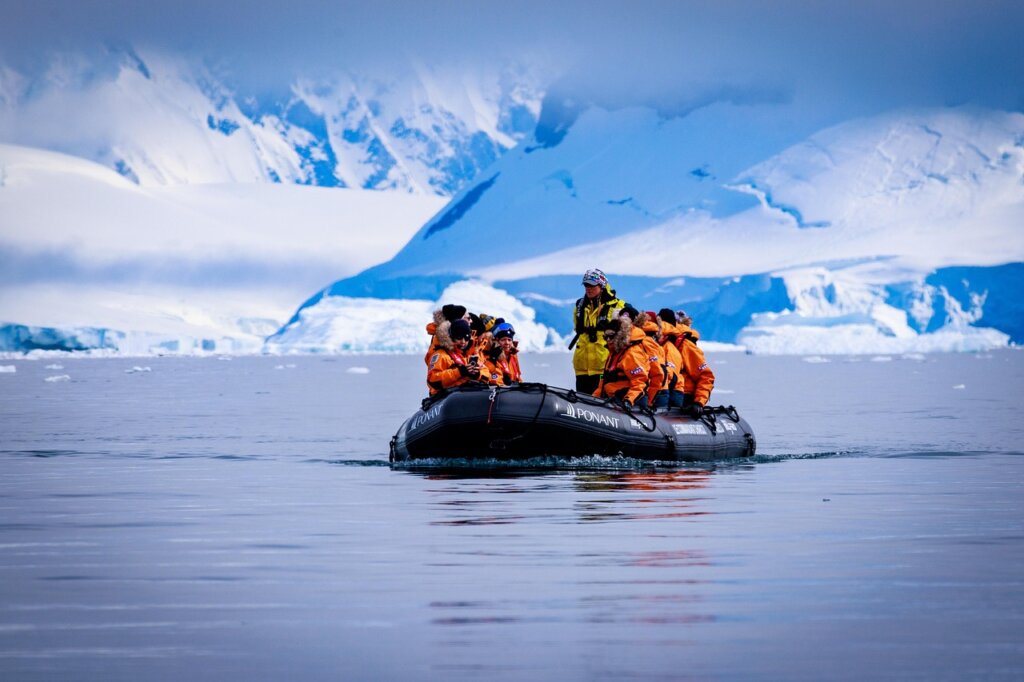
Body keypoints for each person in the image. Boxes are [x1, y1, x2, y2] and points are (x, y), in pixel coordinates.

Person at [571, 268, 625, 394]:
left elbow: (625, 334)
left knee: (602, 404)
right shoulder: (579, 308)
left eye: (592, 285)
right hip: (582, 368)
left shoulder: (618, 307)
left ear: (602, 286)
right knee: (582, 405)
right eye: (586, 285)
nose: (588, 288)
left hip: (604, 367)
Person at [592, 316, 649, 409]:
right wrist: (594, 398)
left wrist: (628, 401)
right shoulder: (613, 354)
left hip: (631, 402)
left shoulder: (631, 354)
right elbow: (604, 379)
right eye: (605, 337)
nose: (608, 340)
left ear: (619, 335)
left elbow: (640, 382)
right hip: (615, 399)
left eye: (611, 336)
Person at [426, 318, 487, 396]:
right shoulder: (442, 355)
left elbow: (486, 373)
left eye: (466, 337)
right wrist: (459, 372)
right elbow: (432, 380)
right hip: (445, 396)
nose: (463, 341)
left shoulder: (471, 354)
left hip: (466, 394)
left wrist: (477, 374)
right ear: (452, 337)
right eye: (459, 338)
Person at [671, 312, 715, 417]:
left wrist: (698, 402)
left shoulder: (685, 346)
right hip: (669, 395)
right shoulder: (663, 344)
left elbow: (706, 376)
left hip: (684, 397)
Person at [653, 309, 686, 410]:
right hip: (663, 389)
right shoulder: (660, 346)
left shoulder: (669, 348)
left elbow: (672, 375)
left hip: (673, 392)